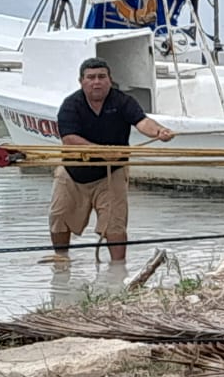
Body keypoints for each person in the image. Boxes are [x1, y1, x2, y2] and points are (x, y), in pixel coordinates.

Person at [50, 57, 175, 263]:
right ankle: (61, 262)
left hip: (112, 171)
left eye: (101, 77)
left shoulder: (122, 101)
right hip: (73, 171)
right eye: (91, 77)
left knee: (115, 223)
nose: (96, 82)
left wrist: (159, 131)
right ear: (81, 81)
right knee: (59, 217)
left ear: (110, 80)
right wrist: (100, 151)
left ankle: (118, 270)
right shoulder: (70, 105)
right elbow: (69, 139)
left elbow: (142, 121)